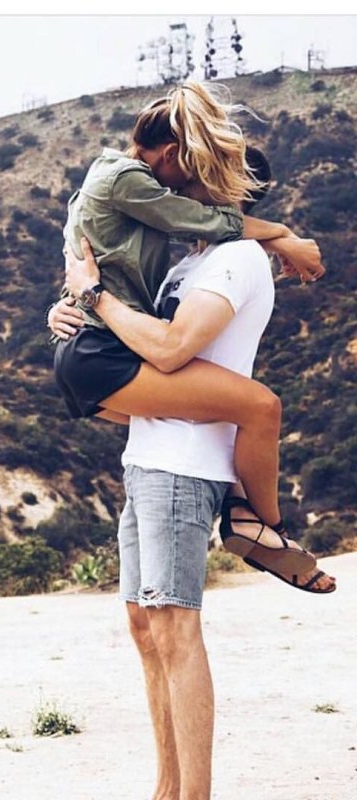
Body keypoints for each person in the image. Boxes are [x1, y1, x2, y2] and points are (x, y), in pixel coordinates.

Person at [49, 153, 335, 800]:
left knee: (175, 629)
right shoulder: (191, 260)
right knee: (146, 627)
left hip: (186, 463)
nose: (174, 184)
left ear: (227, 189)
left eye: (196, 173)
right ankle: (168, 789)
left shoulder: (234, 259)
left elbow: (173, 350)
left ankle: (195, 796)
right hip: (149, 454)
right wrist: (70, 310)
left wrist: (93, 296)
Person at [52, 80, 324, 573]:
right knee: (261, 407)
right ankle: (268, 531)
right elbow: (200, 221)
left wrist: (68, 305)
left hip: (95, 353)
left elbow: (100, 261)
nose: (180, 185)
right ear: (173, 151)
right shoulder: (127, 179)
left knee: (213, 413)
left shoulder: (133, 201)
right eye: (191, 166)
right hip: (100, 354)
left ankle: (241, 511)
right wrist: (283, 237)